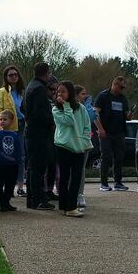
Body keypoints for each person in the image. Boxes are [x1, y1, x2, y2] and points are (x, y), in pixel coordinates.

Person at [52, 80, 91, 217]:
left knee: (76, 178)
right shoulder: (56, 109)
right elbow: (68, 121)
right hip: (63, 146)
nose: (60, 94)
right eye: (58, 91)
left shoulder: (81, 108)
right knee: (64, 177)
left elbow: (86, 125)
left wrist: (85, 140)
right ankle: (65, 206)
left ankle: (72, 206)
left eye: (63, 91)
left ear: (70, 93)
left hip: (79, 147)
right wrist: (66, 105)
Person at [23, 62, 56, 209]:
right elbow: (41, 113)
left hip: (30, 131)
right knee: (38, 168)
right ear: (47, 73)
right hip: (39, 134)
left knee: (32, 167)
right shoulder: (40, 89)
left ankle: (32, 199)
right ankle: (38, 199)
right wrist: (51, 122)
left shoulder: (30, 86)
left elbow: (22, 108)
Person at [93, 75, 130, 191]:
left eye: (123, 88)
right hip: (106, 132)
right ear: (114, 84)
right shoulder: (103, 96)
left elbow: (126, 115)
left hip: (119, 132)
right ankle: (104, 183)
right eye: (121, 87)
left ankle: (118, 182)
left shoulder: (122, 98)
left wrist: (129, 115)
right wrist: (100, 129)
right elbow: (95, 114)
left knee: (119, 157)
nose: (122, 90)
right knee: (106, 157)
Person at [0, 66, 27, 196]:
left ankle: (20, 187)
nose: (14, 77)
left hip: (22, 125)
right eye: (10, 75)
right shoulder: (2, 92)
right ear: (6, 78)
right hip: (9, 128)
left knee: (21, 156)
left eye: (15, 74)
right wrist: (3, 126)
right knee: (7, 156)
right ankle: (5, 187)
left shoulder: (21, 92)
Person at [0, 110, 24, 211]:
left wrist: (18, 159)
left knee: (10, 184)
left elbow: (18, 148)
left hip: (12, 165)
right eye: (0, 119)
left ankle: (7, 202)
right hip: (1, 164)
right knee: (0, 184)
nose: (2, 121)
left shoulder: (15, 135)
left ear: (11, 121)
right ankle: (1, 204)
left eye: (5, 119)